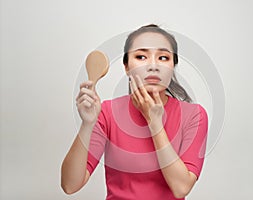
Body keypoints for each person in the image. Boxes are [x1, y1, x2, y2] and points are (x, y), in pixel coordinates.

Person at [61, 24, 208, 200]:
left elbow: (181, 187)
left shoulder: (194, 115)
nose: (153, 66)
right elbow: (70, 185)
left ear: (173, 66)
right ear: (127, 67)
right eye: (141, 56)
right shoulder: (107, 112)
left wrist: (154, 123)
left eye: (163, 57)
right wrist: (87, 124)